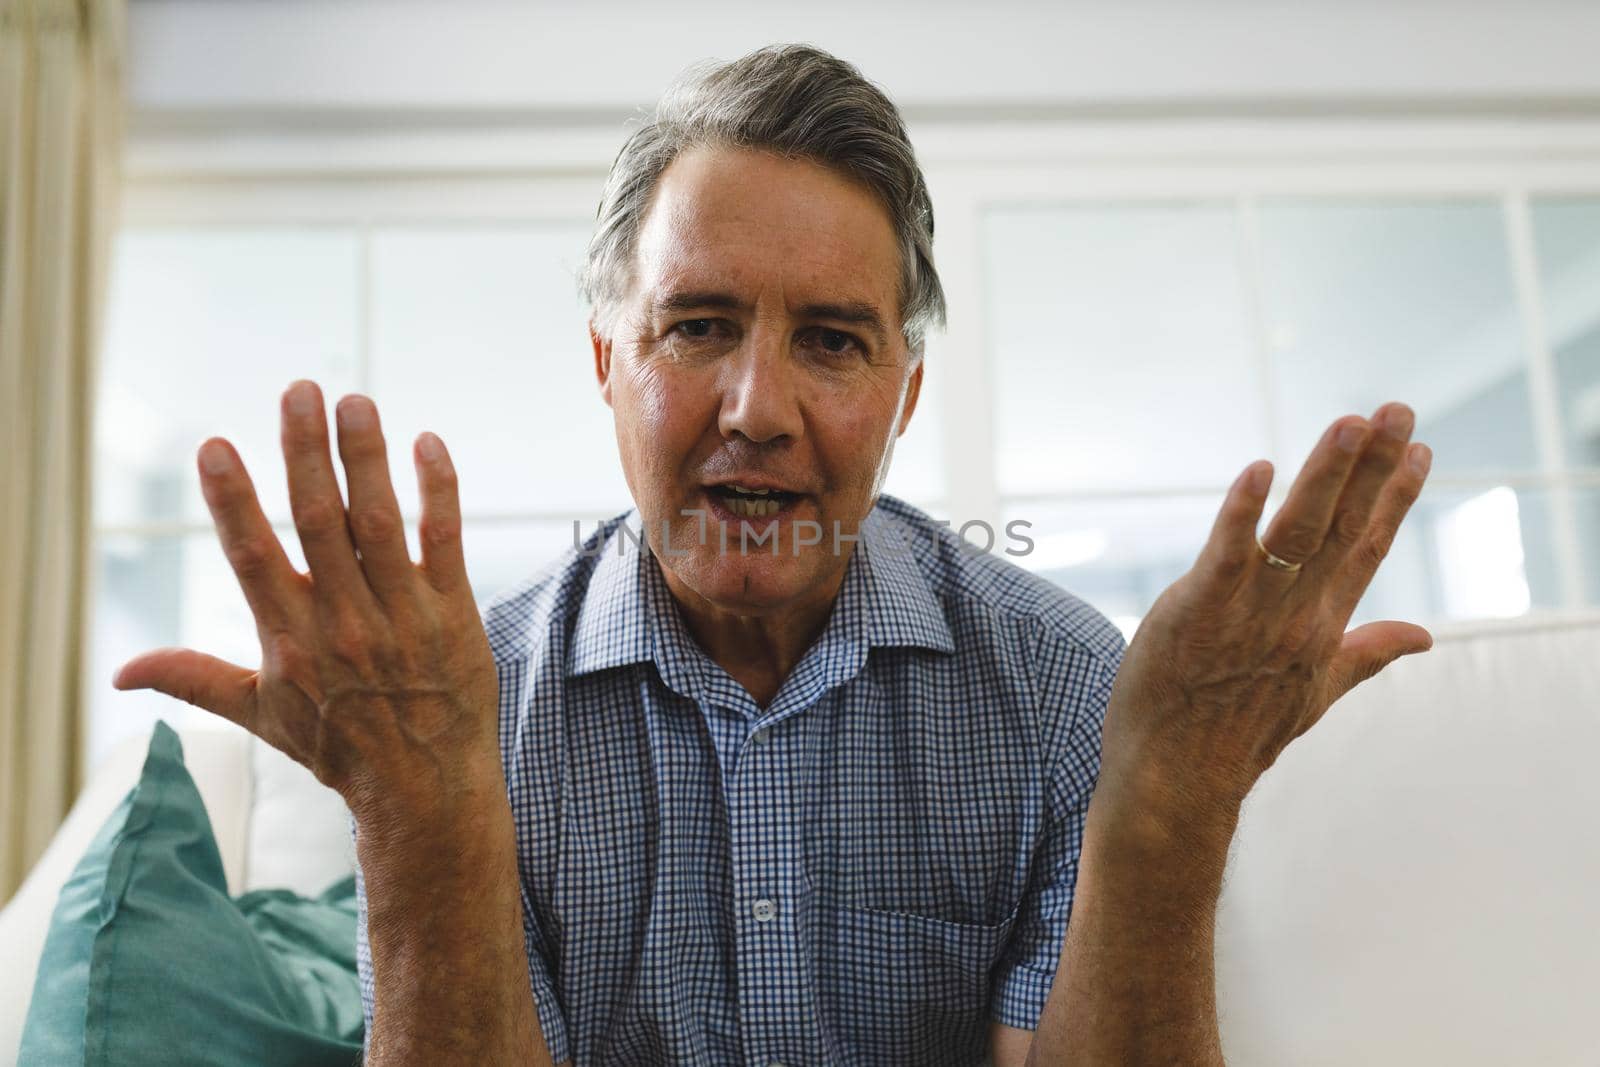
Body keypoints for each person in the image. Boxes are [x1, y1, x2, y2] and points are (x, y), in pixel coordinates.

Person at [113, 44, 1434, 1066]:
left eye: (833, 340)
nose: (755, 407)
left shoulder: (1068, 686)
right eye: (697, 326)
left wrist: (1174, 803)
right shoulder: (460, 714)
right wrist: (417, 817)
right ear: (606, 363)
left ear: (905, 395)